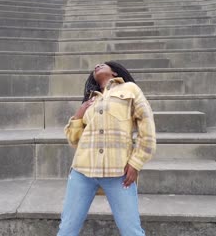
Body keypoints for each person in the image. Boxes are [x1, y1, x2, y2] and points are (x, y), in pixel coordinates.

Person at [58, 61, 156, 236]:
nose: (97, 65)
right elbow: (74, 140)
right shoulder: (91, 100)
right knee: (67, 229)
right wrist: (79, 114)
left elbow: (147, 127)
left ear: (114, 72)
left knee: (131, 230)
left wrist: (136, 162)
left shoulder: (130, 89)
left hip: (119, 174)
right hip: (82, 171)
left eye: (102, 64)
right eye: (95, 66)